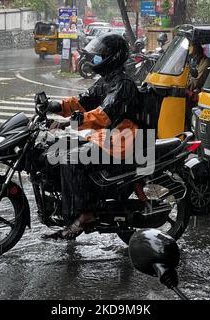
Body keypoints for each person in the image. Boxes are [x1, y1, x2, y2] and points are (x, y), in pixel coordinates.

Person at [43, 33, 140, 240]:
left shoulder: (123, 84)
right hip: (106, 138)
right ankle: (70, 212)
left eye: (100, 56)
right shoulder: (107, 80)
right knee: (61, 148)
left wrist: (70, 122)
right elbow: (83, 101)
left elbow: (103, 116)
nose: (95, 60)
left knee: (72, 160)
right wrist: (56, 106)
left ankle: (85, 214)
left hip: (122, 143)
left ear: (112, 58)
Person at [185, 42, 210, 129]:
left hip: (203, 95)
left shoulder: (206, 63)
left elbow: (195, 83)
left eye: (193, 55)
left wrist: (185, 83)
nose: (192, 58)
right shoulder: (194, 62)